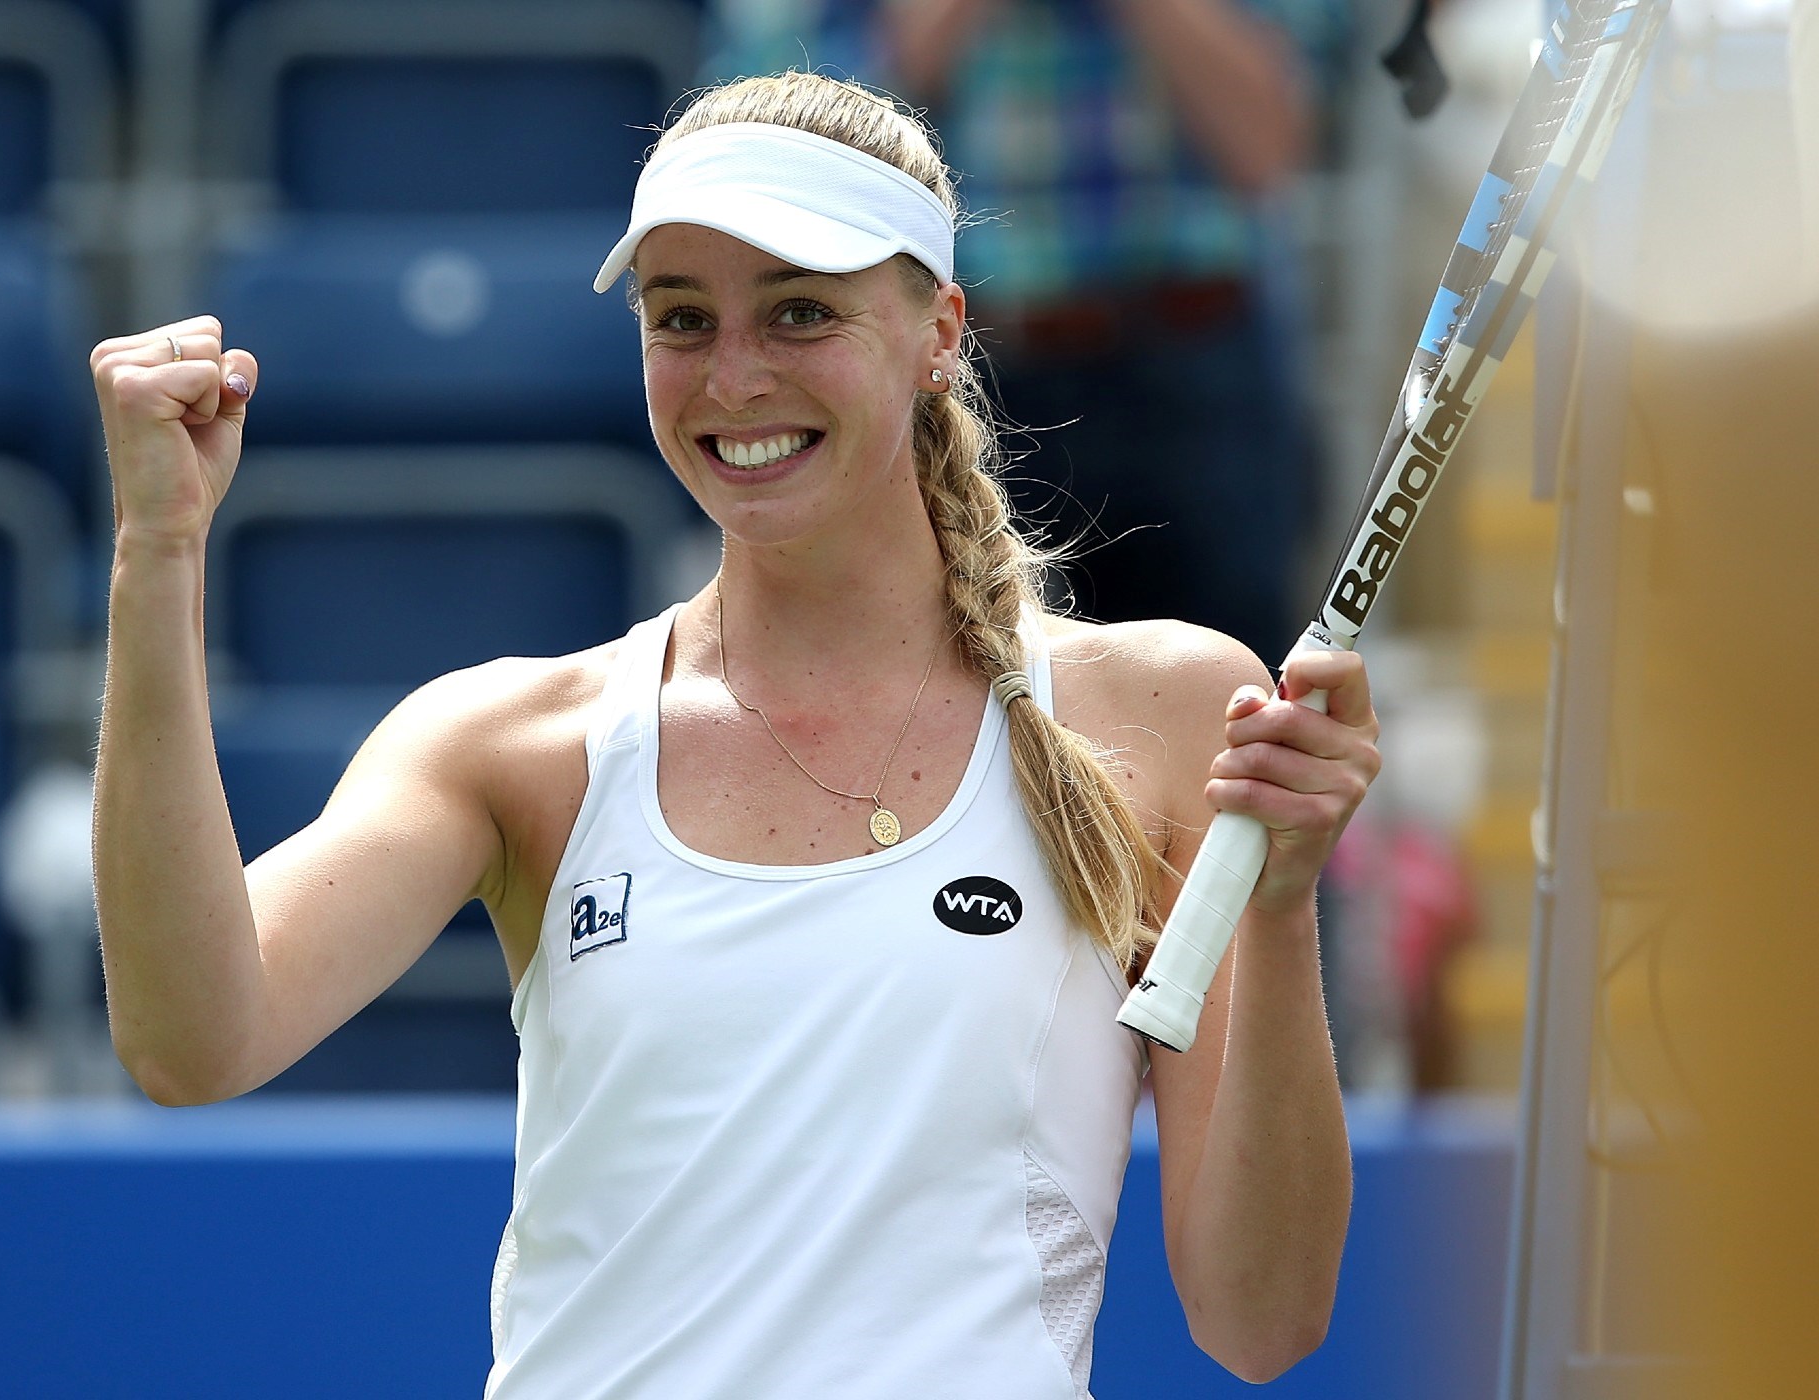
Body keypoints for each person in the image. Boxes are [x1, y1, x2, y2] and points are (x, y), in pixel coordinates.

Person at [89, 71, 1373, 1398]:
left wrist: (1276, 913)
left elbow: (1258, 1319)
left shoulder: (1160, 713)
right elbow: (192, 1042)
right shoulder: (515, 742)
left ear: (940, 330)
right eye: (683, 320)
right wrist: (159, 552)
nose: (734, 377)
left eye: (801, 312)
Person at [707, 0, 1350, 655]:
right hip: (956, 371)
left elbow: (1273, 144)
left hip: (1198, 362)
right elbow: (790, 165)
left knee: (1232, 714)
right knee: (950, 709)